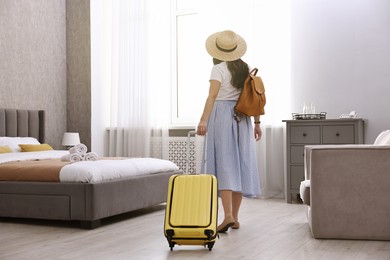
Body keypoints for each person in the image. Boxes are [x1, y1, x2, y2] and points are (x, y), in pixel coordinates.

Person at [197, 30, 262, 233]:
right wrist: (257, 123)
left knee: (225, 164)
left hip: (223, 117)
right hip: (243, 118)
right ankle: (235, 217)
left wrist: (203, 120)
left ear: (217, 51)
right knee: (240, 164)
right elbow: (255, 97)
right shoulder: (247, 68)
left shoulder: (218, 69)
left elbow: (213, 96)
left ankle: (227, 216)